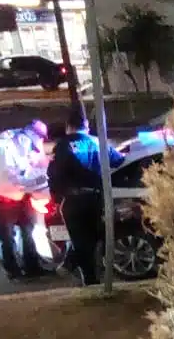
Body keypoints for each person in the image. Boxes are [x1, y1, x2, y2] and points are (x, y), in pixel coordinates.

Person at [48, 113, 123, 286]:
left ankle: (87, 278)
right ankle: (77, 267)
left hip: (74, 200)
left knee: (81, 240)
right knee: (96, 236)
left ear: (68, 127)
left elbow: (54, 173)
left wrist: (57, 197)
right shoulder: (98, 142)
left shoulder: (63, 145)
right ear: (86, 126)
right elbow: (118, 161)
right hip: (97, 198)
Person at [0, 120, 50, 280]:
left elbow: (35, 167)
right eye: (32, 146)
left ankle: (32, 266)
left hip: (15, 196)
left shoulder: (24, 146)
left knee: (27, 230)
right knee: (5, 236)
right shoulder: (2, 148)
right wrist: (39, 180)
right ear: (25, 138)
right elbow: (13, 178)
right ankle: (13, 271)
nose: (33, 151)